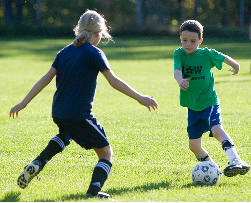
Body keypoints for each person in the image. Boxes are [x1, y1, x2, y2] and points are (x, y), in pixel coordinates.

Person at [10, 10, 158, 199]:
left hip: (59, 111)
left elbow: (45, 79)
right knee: (106, 154)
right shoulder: (94, 52)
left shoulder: (64, 52)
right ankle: (92, 194)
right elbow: (113, 81)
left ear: (78, 30)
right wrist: (141, 98)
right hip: (79, 115)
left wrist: (23, 103)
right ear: (99, 33)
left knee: (66, 135)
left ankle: (39, 162)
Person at [173, 20, 250, 177]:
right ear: (180, 38)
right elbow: (177, 70)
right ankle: (214, 169)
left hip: (209, 102)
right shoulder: (179, 53)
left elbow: (225, 58)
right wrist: (180, 80)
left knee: (216, 130)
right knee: (194, 146)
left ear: (200, 41)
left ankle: (235, 160)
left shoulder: (207, 54)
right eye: (184, 40)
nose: (188, 44)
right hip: (193, 107)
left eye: (193, 41)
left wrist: (236, 67)